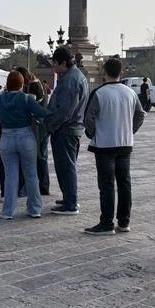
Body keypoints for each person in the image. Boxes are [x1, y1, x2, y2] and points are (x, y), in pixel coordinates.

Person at [83, 57, 144, 235]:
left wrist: (92, 133)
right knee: (124, 183)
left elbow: (88, 118)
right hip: (125, 143)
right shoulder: (130, 93)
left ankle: (106, 222)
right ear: (121, 73)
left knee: (107, 184)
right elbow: (140, 114)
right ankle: (124, 221)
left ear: (104, 72)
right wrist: (130, 130)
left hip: (104, 144)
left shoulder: (100, 93)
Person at [0, 71, 50, 219]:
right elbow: (42, 113)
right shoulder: (26, 99)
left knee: (10, 176)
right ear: (22, 84)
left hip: (6, 137)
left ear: (7, 83)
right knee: (31, 174)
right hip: (25, 137)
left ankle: (7, 211)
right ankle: (35, 209)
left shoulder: (0, 99)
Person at [45, 47, 90, 215]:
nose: (53, 66)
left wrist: (50, 126)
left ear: (63, 62)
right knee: (66, 165)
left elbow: (64, 111)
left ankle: (70, 203)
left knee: (66, 166)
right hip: (73, 128)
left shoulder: (70, 80)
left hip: (65, 129)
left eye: (55, 63)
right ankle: (68, 197)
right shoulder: (77, 76)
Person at [18, 67, 51, 196]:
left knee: (37, 157)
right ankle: (43, 186)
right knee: (42, 156)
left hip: (37, 126)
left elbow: (29, 105)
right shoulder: (39, 84)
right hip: (42, 125)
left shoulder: (33, 86)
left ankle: (36, 187)